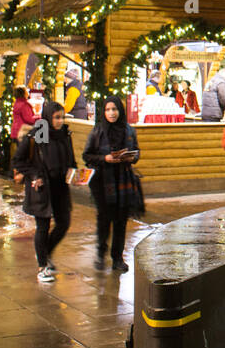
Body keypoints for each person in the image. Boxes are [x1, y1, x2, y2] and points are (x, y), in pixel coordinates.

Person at [12, 101, 77, 283]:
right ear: (48, 117)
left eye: (61, 117)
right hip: (42, 188)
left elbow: (70, 159)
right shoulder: (39, 134)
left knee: (64, 223)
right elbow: (18, 160)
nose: (59, 121)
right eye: (56, 117)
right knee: (43, 226)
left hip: (60, 186)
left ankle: (44, 253)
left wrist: (75, 172)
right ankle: (42, 267)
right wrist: (34, 175)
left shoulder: (65, 134)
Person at [83, 97, 143, 273]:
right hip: (102, 181)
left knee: (120, 220)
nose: (111, 113)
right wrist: (105, 159)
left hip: (123, 180)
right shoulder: (98, 131)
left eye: (115, 109)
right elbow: (87, 156)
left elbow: (137, 152)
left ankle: (117, 257)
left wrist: (133, 157)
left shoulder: (129, 131)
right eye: (108, 109)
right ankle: (101, 254)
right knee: (104, 219)